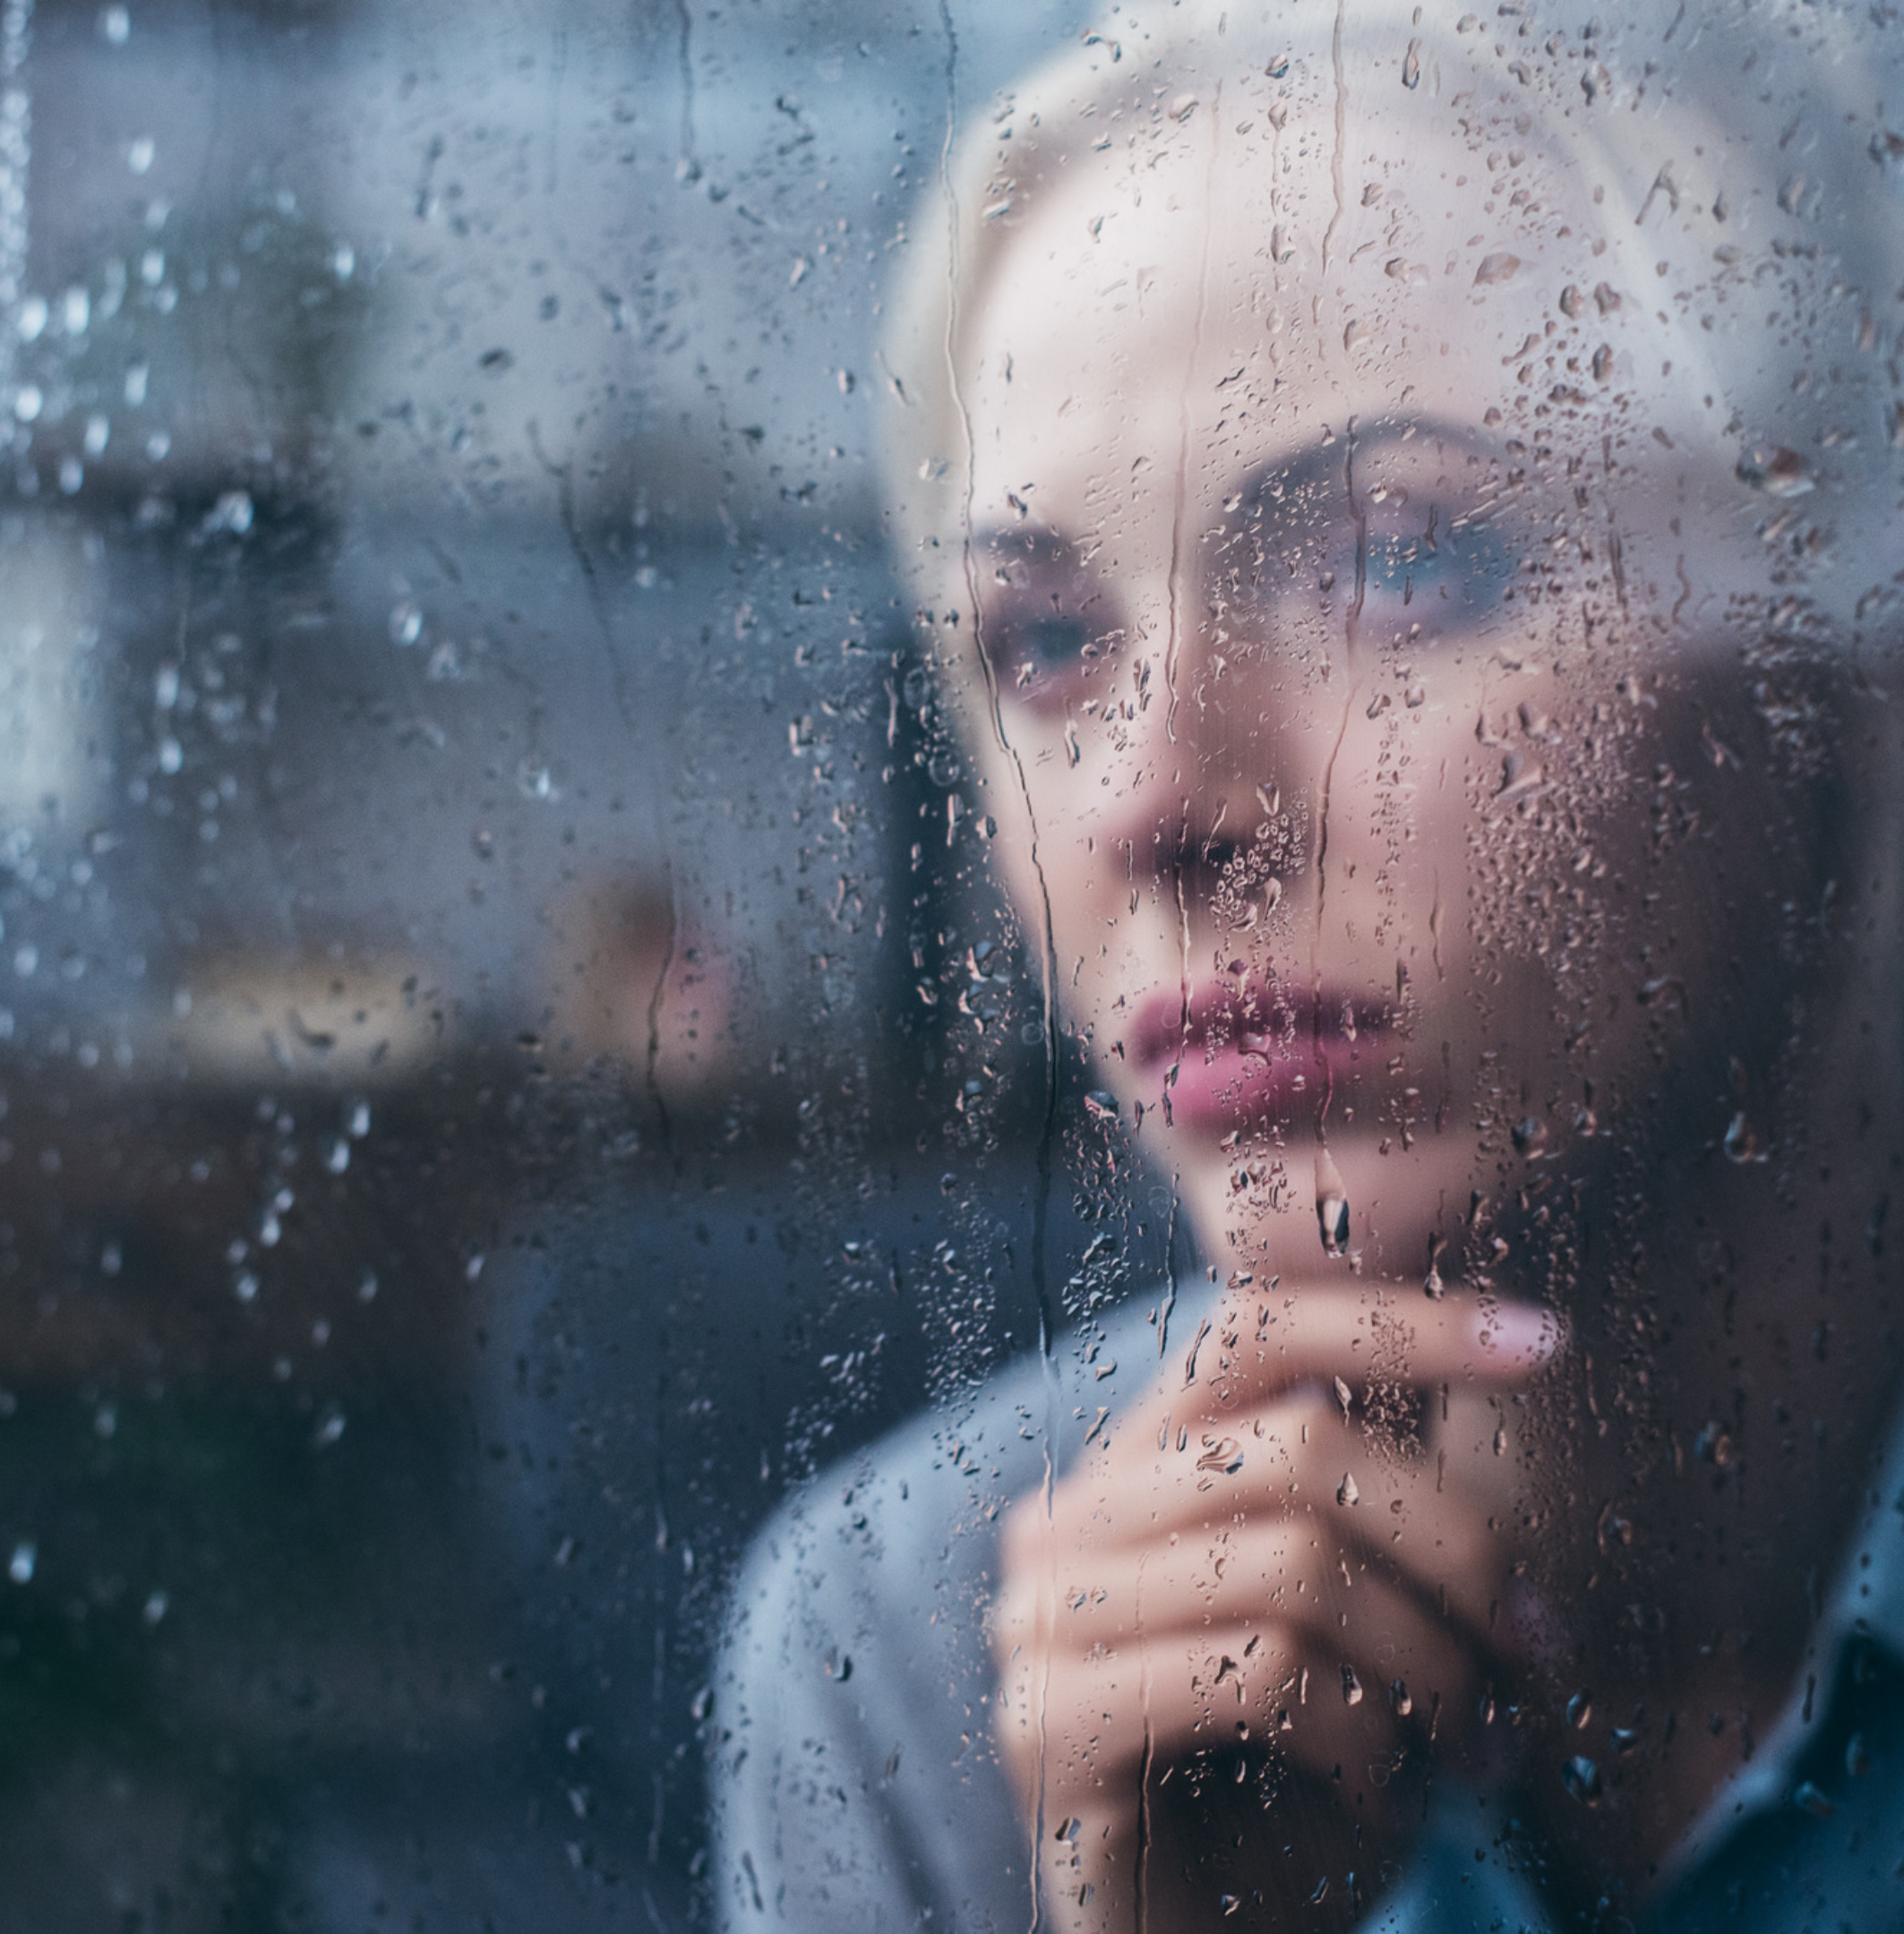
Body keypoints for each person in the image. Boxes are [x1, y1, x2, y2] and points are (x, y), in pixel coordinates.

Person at [710, 2, 1904, 1927]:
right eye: (1044, 645)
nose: (1151, 809)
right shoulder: (914, 1655)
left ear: (1839, 650)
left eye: (1400, 559)